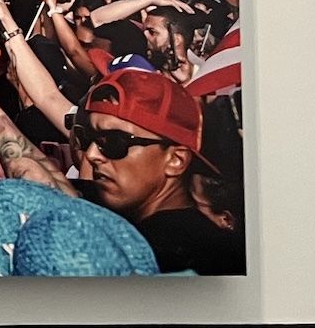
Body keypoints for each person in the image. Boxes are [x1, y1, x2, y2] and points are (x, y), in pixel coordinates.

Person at [74, 69, 244, 274]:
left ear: (175, 160)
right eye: (88, 138)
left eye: (114, 142)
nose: (92, 154)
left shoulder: (161, 257)